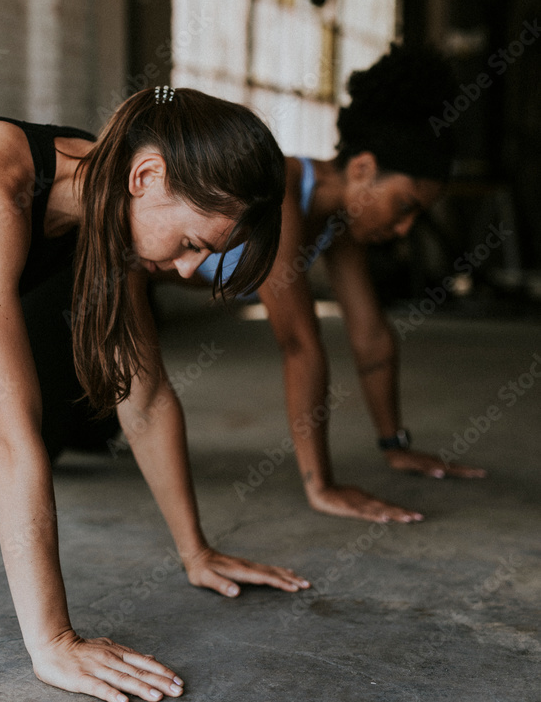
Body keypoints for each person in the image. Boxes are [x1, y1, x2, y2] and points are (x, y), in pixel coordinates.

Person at [0, 86, 309, 702]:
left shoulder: (107, 199)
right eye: (192, 244)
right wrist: (54, 641)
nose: (188, 271)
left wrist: (196, 551)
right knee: (23, 424)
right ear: (147, 175)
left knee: (79, 410)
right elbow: (8, 437)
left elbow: (147, 394)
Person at [157, 46, 486, 524]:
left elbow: (370, 337)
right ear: (363, 169)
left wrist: (394, 446)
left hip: (130, 291)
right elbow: (298, 342)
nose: (405, 230)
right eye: (404, 206)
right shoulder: (282, 189)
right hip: (82, 271)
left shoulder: (336, 221)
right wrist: (322, 486)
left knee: (88, 430)